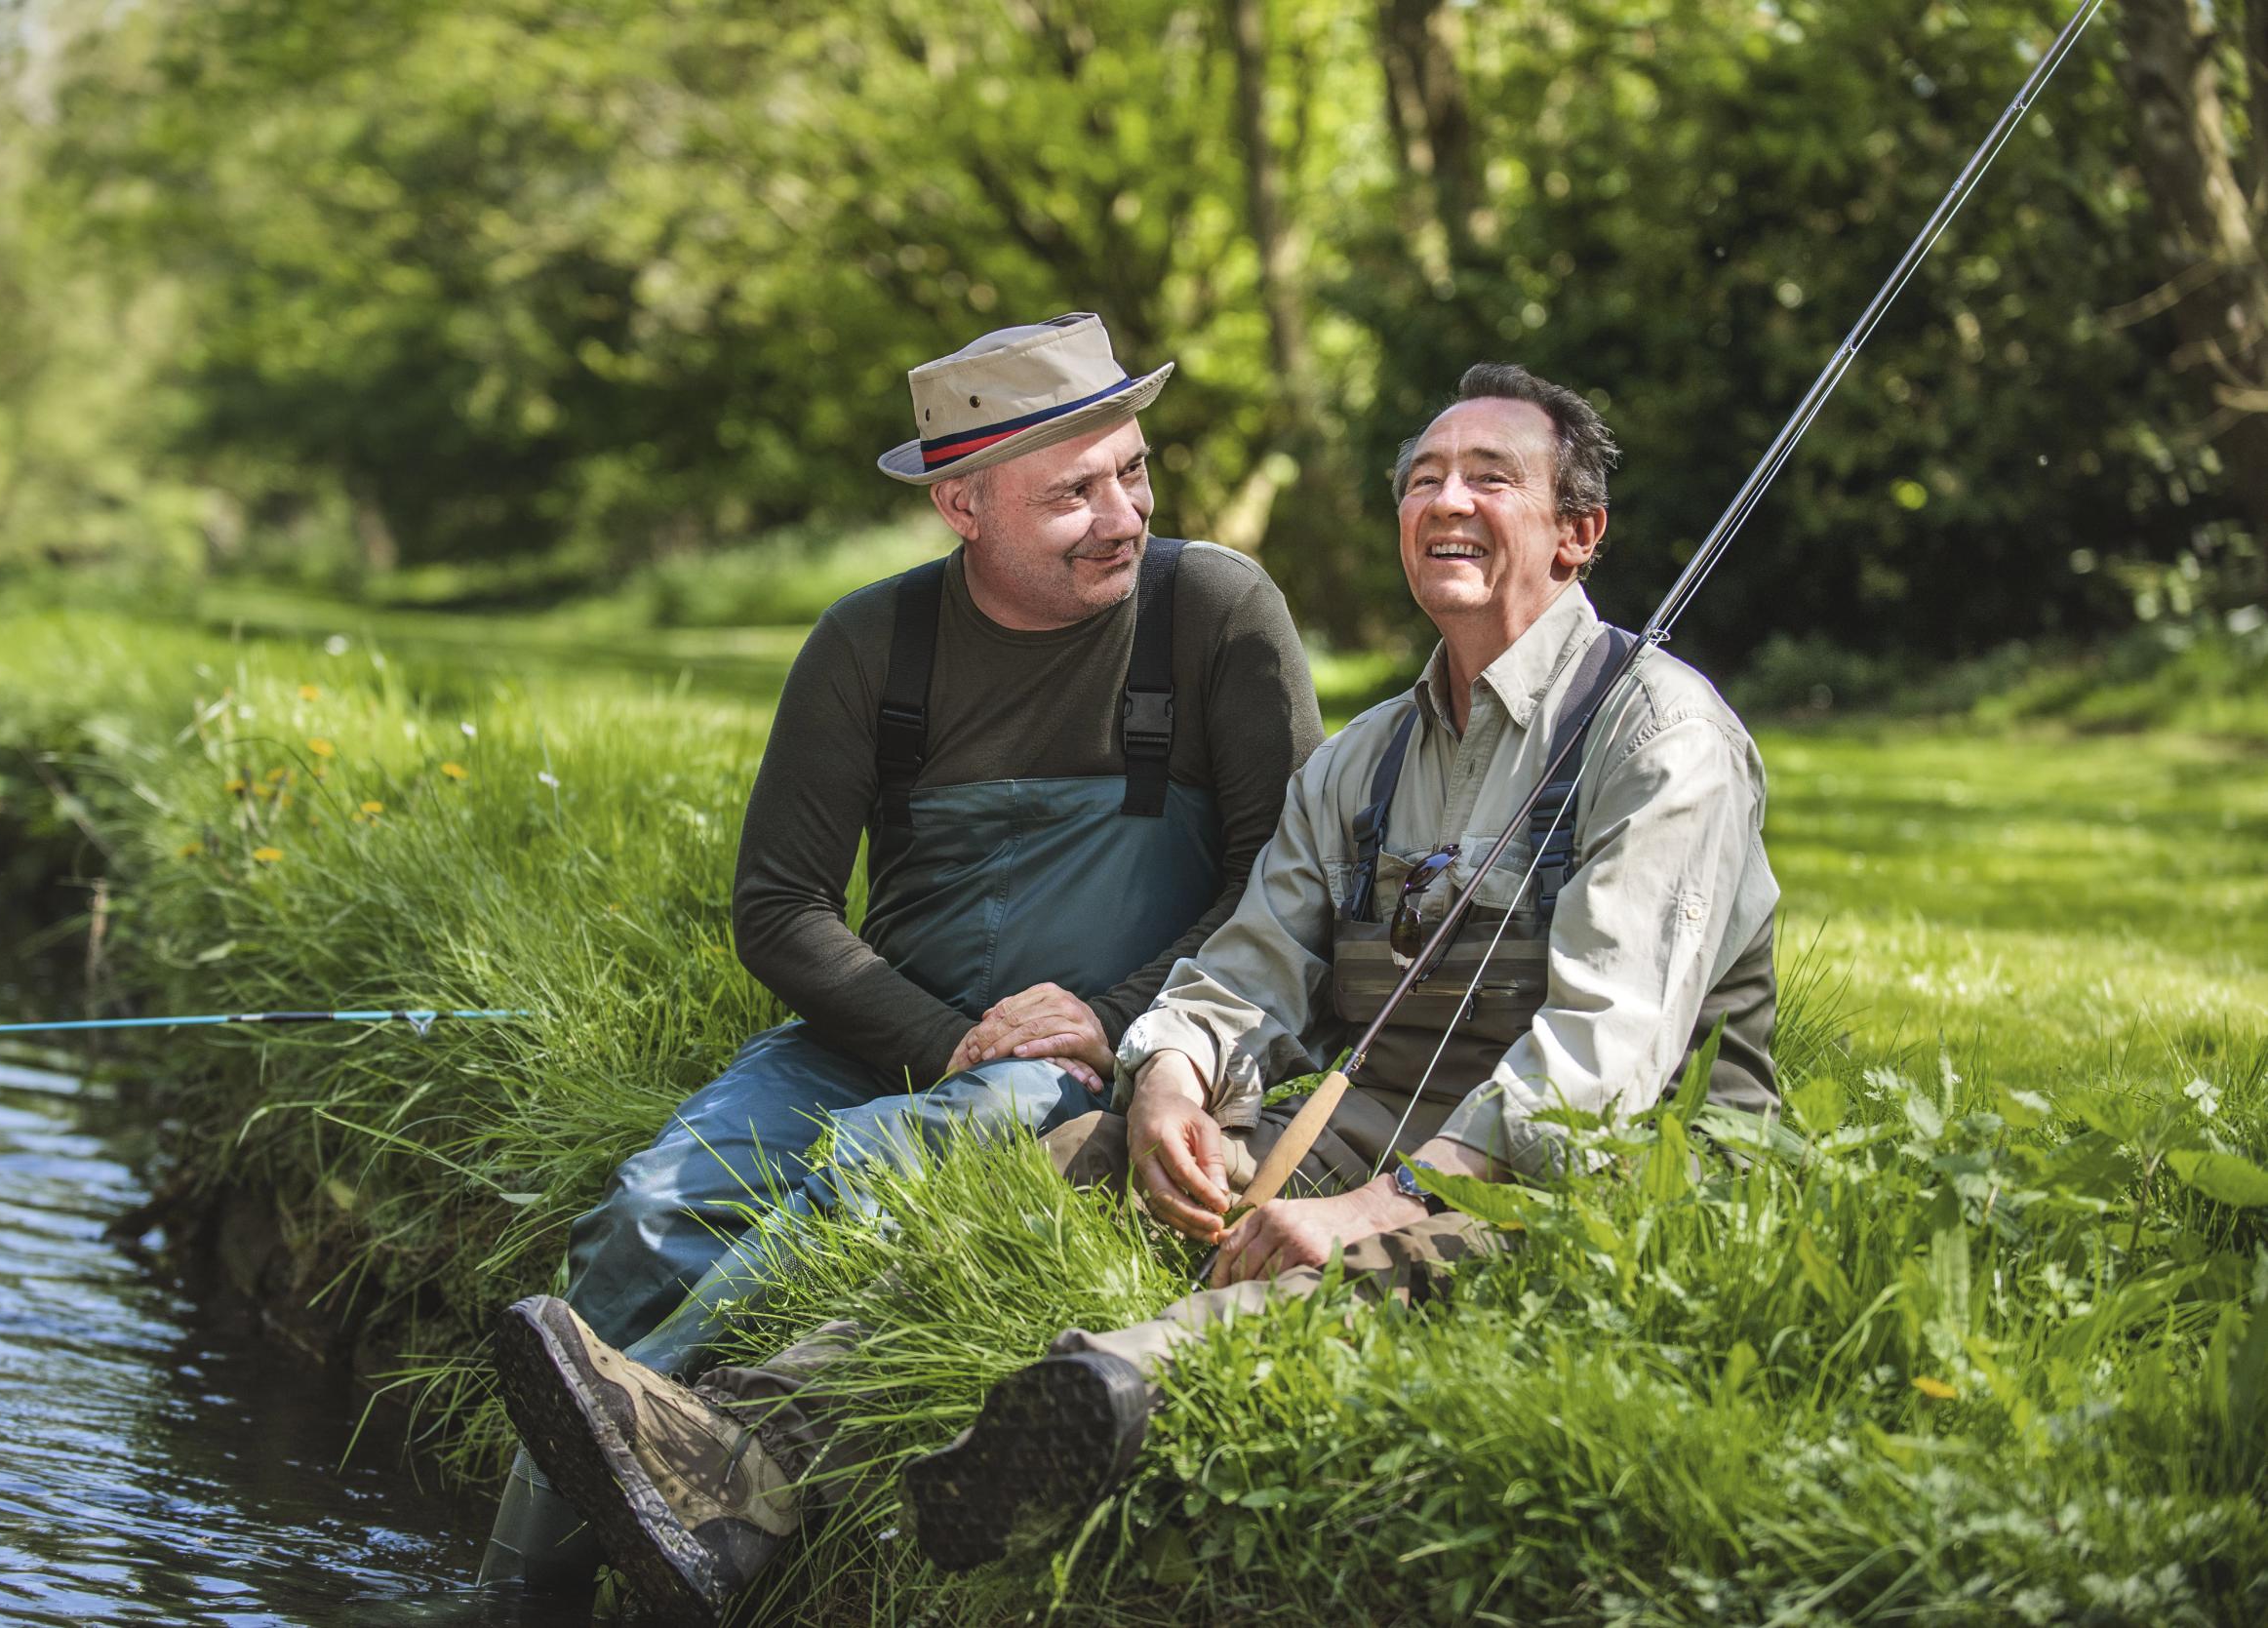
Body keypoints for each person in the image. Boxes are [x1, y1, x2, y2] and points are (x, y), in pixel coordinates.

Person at [488, 362, 1779, 1614]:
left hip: (1609, 1169)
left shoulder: (1661, 737)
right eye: (1422, 477)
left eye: (1491, 478)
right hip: (1366, 1115)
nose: (1445, 501)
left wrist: (1378, 1205)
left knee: (1337, 1267)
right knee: (1062, 1165)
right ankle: (743, 1461)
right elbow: (1250, 957)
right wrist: (1167, 1076)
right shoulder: (1373, 759)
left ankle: (1090, 1404)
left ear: (1579, 532)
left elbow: (1601, 1062)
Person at [478, 312, 1323, 1595]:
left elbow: (1288, 882)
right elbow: (779, 904)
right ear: (962, 504)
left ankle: (670, 1461)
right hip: (881, 1037)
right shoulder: (872, 645)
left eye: (1135, 471)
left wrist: (1112, 1015)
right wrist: (939, 1038)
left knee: (882, 1167)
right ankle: (515, 1595)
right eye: (1074, 493)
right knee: (655, 1206)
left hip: (1117, 1057)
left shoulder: (1216, 614)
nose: (1122, 513)